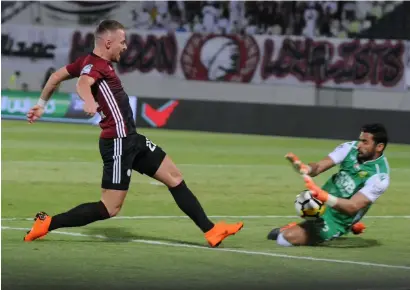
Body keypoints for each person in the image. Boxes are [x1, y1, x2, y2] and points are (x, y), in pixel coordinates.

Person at [24, 20, 243, 247]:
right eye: (122, 41)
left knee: (174, 177)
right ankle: (48, 223)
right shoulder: (94, 65)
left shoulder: (88, 62)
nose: (125, 46)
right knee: (109, 208)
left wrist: (41, 104)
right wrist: (88, 101)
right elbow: (82, 83)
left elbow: (55, 77)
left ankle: (211, 230)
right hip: (118, 142)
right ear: (108, 42)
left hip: (132, 139)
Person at [268, 123, 390, 246]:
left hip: (338, 220)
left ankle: (343, 227)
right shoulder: (349, 148)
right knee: (275, 233)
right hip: (320, 206)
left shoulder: (379, 176)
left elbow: (352, 207)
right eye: (360, 140)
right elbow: (319, 166)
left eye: (365, 142)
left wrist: (323, 196)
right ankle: (306, 225)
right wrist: (306, 168)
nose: (359, 145)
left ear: (379, 147)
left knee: (284, 239)